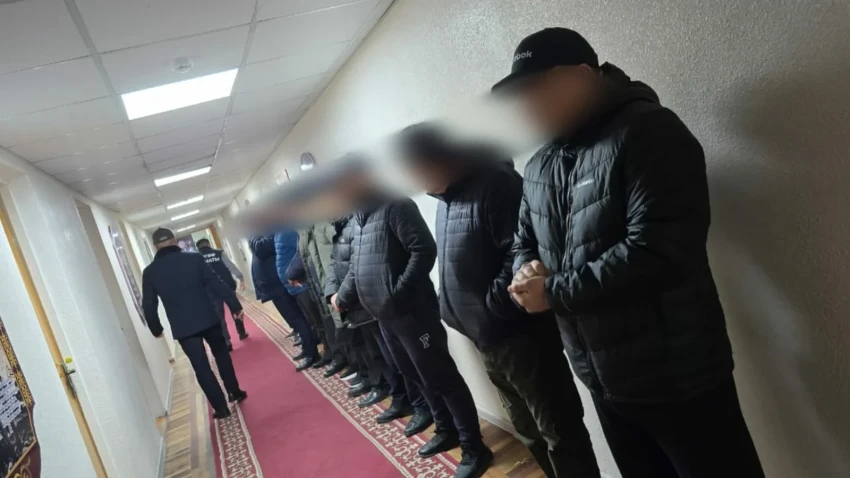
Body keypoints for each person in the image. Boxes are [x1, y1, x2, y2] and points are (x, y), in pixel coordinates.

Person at [495, 28, 764, 478]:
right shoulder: (540, 164)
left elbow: (660, 251)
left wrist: (554, 292)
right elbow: (524, 239)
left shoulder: (650, 131)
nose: (528, 105)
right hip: (602, 378)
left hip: (679, 376)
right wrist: (525, 270)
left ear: (582, 76)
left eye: (538, 88)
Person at [400, 124, 601, 478]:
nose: (413, 180)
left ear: (438, 158)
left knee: (559, 432)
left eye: (414, 169)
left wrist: (491, 309)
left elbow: (523, 253)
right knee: (528, 430)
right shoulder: (447, 199)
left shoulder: (495, 184)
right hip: (488, 341)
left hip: (521, 338)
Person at [335, 197, 493, 478]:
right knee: (415, 375)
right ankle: (446, 429)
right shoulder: (360, 217)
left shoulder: (396, 206)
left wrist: (397, 295)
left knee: (441, 377)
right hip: (385, 317)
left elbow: (423, 249)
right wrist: (342, 297)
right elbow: (357, 266)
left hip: (413, 315)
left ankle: (475, 447)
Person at [142, 228, 246, 419]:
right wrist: (234, 305)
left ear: (155, 246)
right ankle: (234, 391)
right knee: (221, 355)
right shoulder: (195, 259)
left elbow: (149, 304)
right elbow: (216, 283)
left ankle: (221, 408)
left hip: (184, 328)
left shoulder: (150, 272)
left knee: (201, 367)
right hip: (208, 318)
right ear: (175, 240)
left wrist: (156, 328)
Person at [249, 234, 319, 371]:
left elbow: (260, 249)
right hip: (274, 287)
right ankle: (307, 348)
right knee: (295, 321)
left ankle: (311, 353)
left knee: (298, 319)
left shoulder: (271, 233)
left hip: (280, 285)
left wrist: (252, 237)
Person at [196, 238, 248, 349]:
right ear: (209, 244)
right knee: (236, 310)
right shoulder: (219, 253)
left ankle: (226, 341)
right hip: (227, 286)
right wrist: (240, 278)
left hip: (211, 291)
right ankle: (242, 333)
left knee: (219, 316)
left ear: (198, 248)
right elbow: (231, 266)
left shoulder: (197, 258)